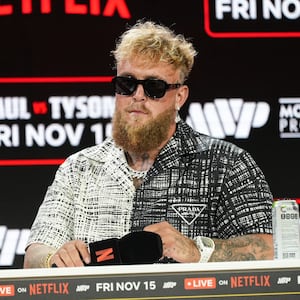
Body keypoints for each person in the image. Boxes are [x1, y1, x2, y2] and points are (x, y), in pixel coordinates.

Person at [24, 20, 273, 268]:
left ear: (180, 96)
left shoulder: (226, 164)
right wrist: (53, 259)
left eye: (155, 87)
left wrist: (197, 250)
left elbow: (270, 249)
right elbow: (34, 257)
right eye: (127, 84)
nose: (138, 96)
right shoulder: (79, 168)